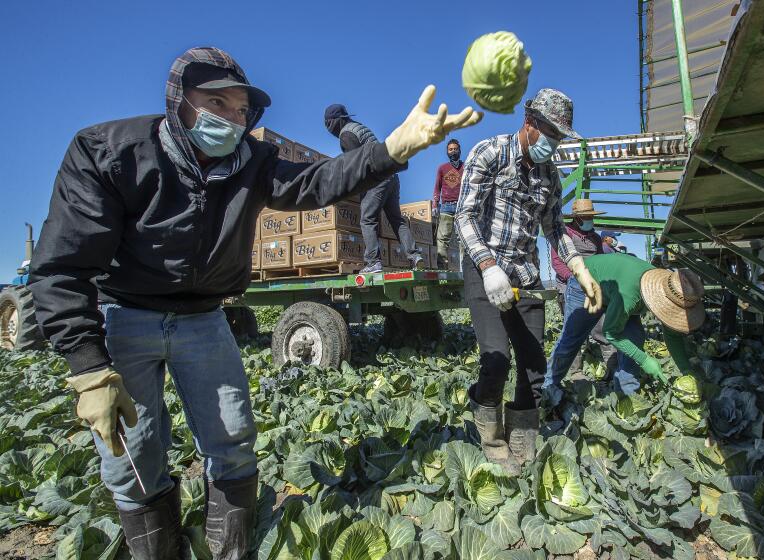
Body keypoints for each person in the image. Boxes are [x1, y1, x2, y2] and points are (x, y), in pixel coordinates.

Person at [27, 46, 481, 560]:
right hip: (125, 314)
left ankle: (231, 552)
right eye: (217, 103)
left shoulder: (251, 161)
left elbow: (314, 184)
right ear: (180, 99)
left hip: (203, 316)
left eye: (242, 110)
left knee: (234, 436)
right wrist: (88, 368)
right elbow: (62, 267)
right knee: (132, 456)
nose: (232, 119)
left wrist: (391, 150)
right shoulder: (108, 152)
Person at [455, 88, 602, 473]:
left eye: (559, 137)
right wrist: (488, 266)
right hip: (483, 269)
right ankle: (490, 435)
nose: (553, 144)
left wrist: (582, 270)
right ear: (529, 122)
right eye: (550, 133)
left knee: (535, 365)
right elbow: (464, 216)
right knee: (497, 358)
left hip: (524, 274)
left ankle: (522, 435)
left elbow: (555, 230)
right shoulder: (489, 153)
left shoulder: (550, 176)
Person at [543, 253, 704, 409]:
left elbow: (672, 335)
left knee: (635, 338)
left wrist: (685, 369)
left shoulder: (666, 288)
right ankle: (548, 387)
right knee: (571, 340)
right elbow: (611, 333)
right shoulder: (630, 294)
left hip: (618, 290)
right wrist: (644, 360)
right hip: (586, 284)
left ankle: (627, 393)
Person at [324, 104, 423, 273]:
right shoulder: (359, 128)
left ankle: (373, 263)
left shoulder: (346, 134)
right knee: (396, 219)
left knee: (368, 219)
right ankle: (415, 256)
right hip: (391, 176)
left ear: (336, 121)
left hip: (377, 179)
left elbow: (354, 165)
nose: (328, 128)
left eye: (328, 123)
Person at [550, 199, 616, 373]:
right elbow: (558, 263)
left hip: (594, 289)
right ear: (577, 218)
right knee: (574, 332)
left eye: (590, 217)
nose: (589, 220)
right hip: (570, 289)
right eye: (586, 217)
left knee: (601, 328)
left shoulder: (595, 238)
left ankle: (612, 368)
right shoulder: (565, 235)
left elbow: (602, 262)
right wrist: (577, 280)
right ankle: (575, 372)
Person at [432, 138, 464, 269]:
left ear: (460, 151)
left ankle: (465, 271)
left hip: (462, 207)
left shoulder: (465, 167)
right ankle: (442, 269)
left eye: (455, 149)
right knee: (442, 239)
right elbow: (437, 188)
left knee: (462, 240)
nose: (453, 151)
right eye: (450, 149)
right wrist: (435, 204)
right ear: (447, 152)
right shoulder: (442, 168)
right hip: (446, 207)